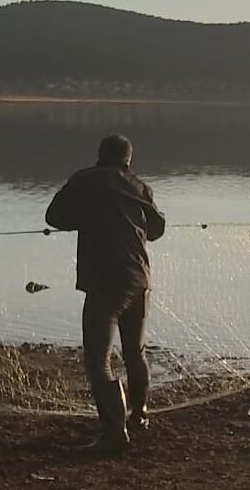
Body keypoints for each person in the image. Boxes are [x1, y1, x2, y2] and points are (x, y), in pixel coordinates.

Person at [45, 135, 165, 454]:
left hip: (105, 280)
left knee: (97, 361)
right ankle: (139, 414)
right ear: (128, 160)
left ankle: (114, 431)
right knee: (135, 351)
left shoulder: (85, 179)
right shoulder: (140, 186)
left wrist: (88, 220)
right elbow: (157, 229)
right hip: (140, 279)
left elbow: (53, 217)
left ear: (100, 156)